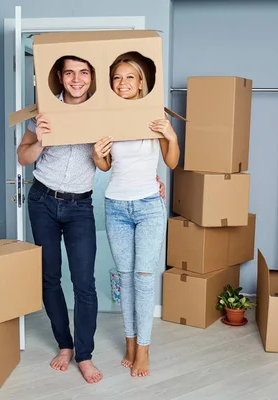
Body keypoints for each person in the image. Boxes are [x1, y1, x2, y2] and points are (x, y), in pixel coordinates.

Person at [16, 55, 165, 384]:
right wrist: (40, 138)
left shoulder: (104, 113)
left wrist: (152, 176)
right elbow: (23, 156)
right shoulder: (44, 111)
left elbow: (116, 159)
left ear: (92, 78)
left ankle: (84, 355)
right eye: (69, 72)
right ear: (59, 76)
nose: (77, 79)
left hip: (80, 207)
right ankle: (65, 346)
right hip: (42, 200)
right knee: (50, 278)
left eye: (83, 72)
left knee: (84, 284)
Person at [92, 58, 180, 378]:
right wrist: (97, 151)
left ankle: (144, 348)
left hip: (147, 206)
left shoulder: (154, 117)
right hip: (115, 205)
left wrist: (170, 134)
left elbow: (171, 162)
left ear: (142, 83)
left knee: (143, 279)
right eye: (117, 77)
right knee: (126, 277)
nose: (123, 82)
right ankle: (129, 343)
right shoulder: (107, 119)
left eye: (131, 77)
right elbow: (104, 167)